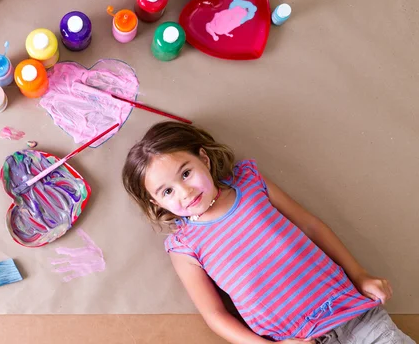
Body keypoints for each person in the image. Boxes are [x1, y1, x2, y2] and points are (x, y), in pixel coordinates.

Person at [122, 121, 415, 343]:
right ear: (156, 201)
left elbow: (309, 225)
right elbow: (214, 315)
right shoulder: (183, 246)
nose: (185, 192)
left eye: (186, 173)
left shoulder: (248, 182)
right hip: (296, 339)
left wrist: (360, 273)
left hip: (353, 314)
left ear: (204, 159)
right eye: (167, 191)